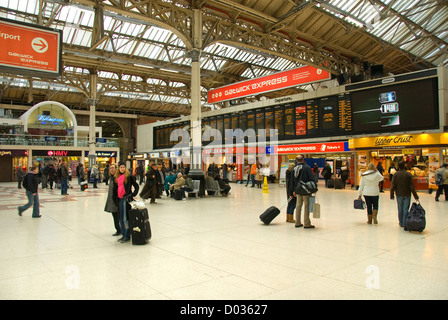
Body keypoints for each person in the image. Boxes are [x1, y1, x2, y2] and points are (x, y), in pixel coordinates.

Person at [113, 162, 139, 243]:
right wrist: (115, 200)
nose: (122, 169)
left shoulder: (129, 177)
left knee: (125, 218)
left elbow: (136, 186)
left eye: (123, 167)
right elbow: (114, 190)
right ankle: (123, 234)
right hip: (119, 199)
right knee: (120, 218)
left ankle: (127, 235)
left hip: (126, 199)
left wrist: (132, 195)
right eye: (121, 167)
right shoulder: (116, 177)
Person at [390, 161, 419, 227]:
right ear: (404, 166)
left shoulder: (396, 174)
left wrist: (392, 194)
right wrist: (415, 196)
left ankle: (400, 222)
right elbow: (412, 186)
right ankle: (404, 222)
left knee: (400, 208)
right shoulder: (408, 174)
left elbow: (393, 185)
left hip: (399, 194)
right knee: (406, 209)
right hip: (407, 194)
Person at [290, 155, 315, 229]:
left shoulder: (294, 168)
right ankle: (307, 223)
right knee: (306, 206)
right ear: (303, 160)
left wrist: (293, 190)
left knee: (298, 206)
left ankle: (297, 222)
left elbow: (292, 181)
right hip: (306, 190)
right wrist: (314, 188)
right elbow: (311, 178)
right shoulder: (307, 167)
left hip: (298, 190)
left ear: (296, 160)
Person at [104, 164, 120, 236]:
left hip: (116, 200)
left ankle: (119, 229)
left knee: (117, 216)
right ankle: (118, 229)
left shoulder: (117, 178)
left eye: (113, 168)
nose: (112, 170)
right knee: (114, 215)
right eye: (110, 168)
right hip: (112, 200)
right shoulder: (111, 178)